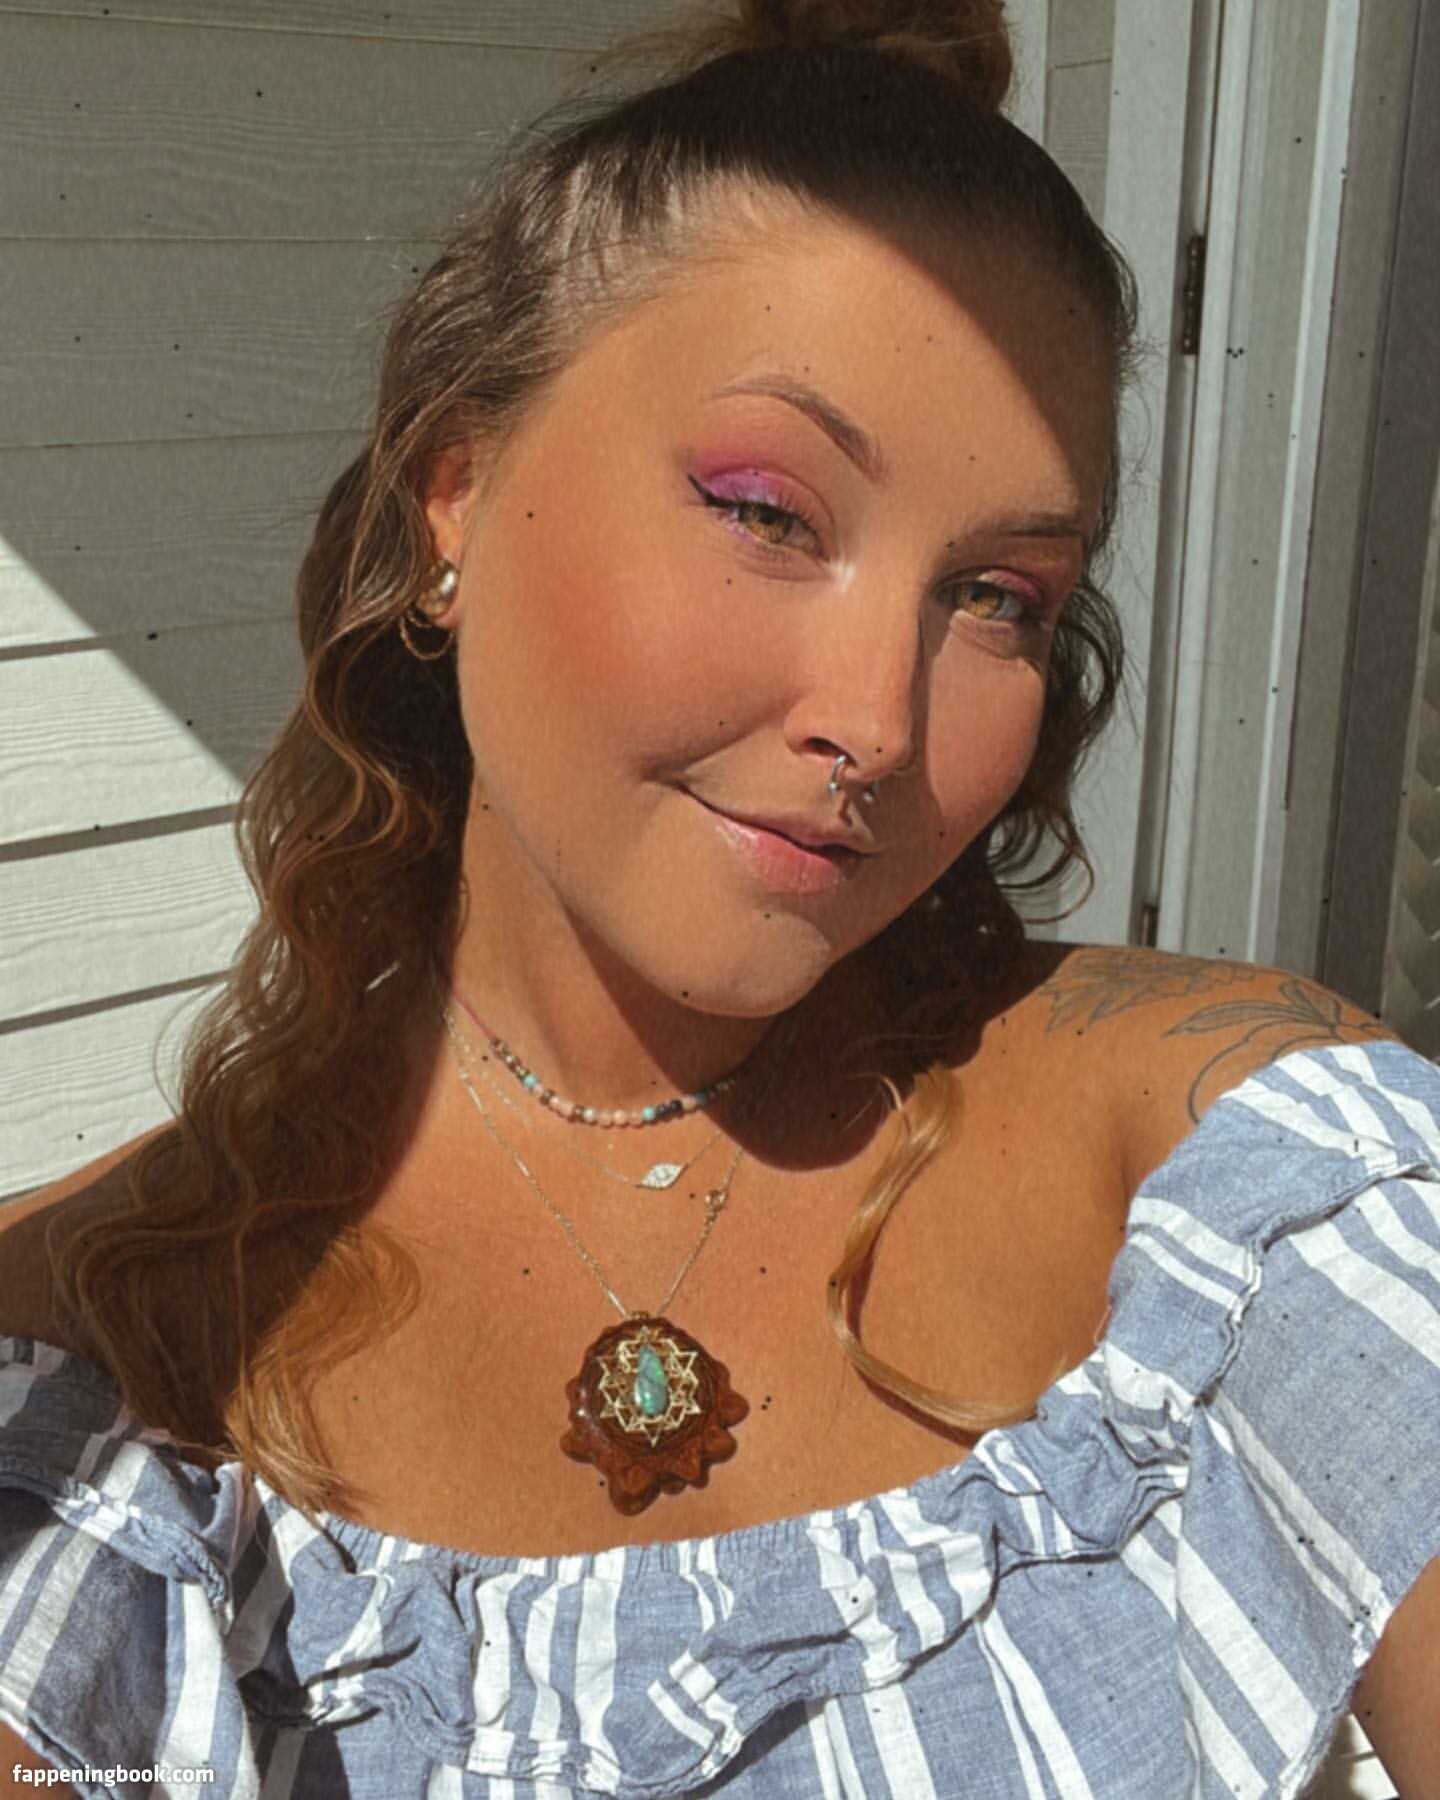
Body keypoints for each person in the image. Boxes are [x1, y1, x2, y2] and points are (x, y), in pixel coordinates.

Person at [1, 1, 1437, 1794]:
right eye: (769, 511)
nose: (880, 723)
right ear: (457, 491)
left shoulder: (1240, 1177)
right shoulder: (91, 1372)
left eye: (998, 596)